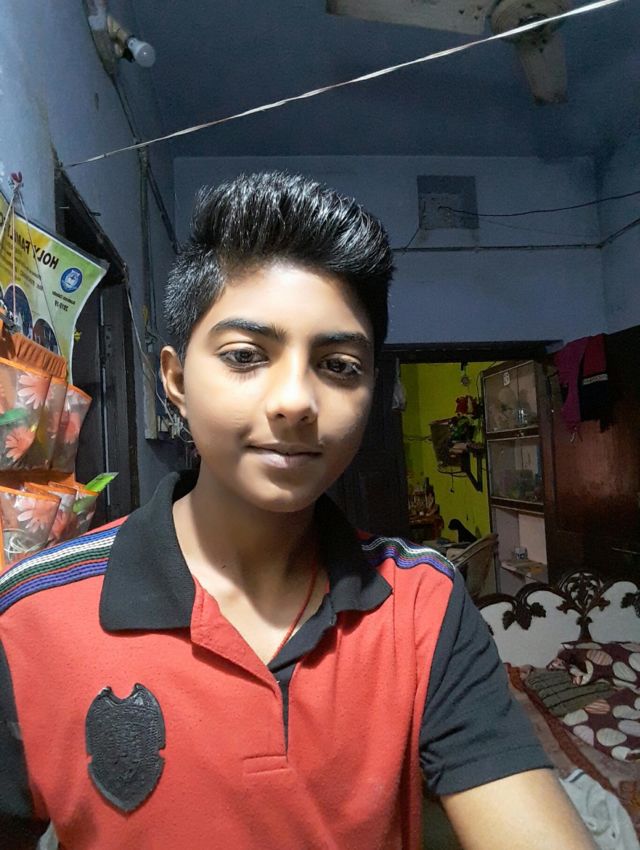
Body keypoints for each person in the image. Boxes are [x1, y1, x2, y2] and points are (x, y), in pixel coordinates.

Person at [0, 172, 595, 849]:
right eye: (245, 356)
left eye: (339, 366)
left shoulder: (421, 604)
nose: (295, 402)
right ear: (176, 381)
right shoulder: (30, 614)